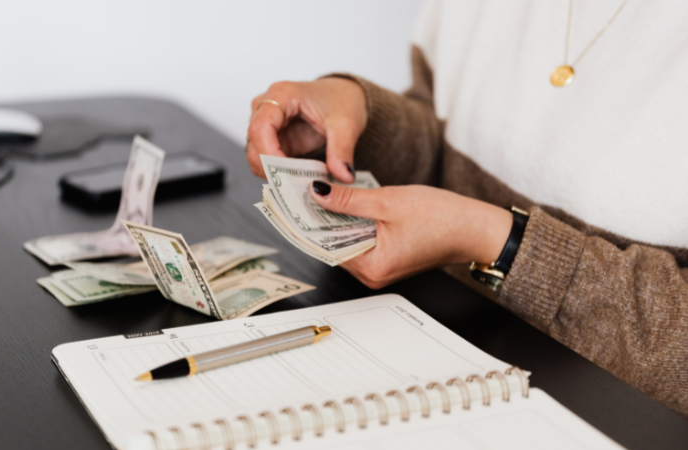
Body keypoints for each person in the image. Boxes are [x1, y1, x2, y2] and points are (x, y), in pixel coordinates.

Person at [244, 0, 688, 416]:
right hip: (431, 358)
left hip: (604, 416)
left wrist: (499, 242)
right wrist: (362, 117)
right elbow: (447, 132)